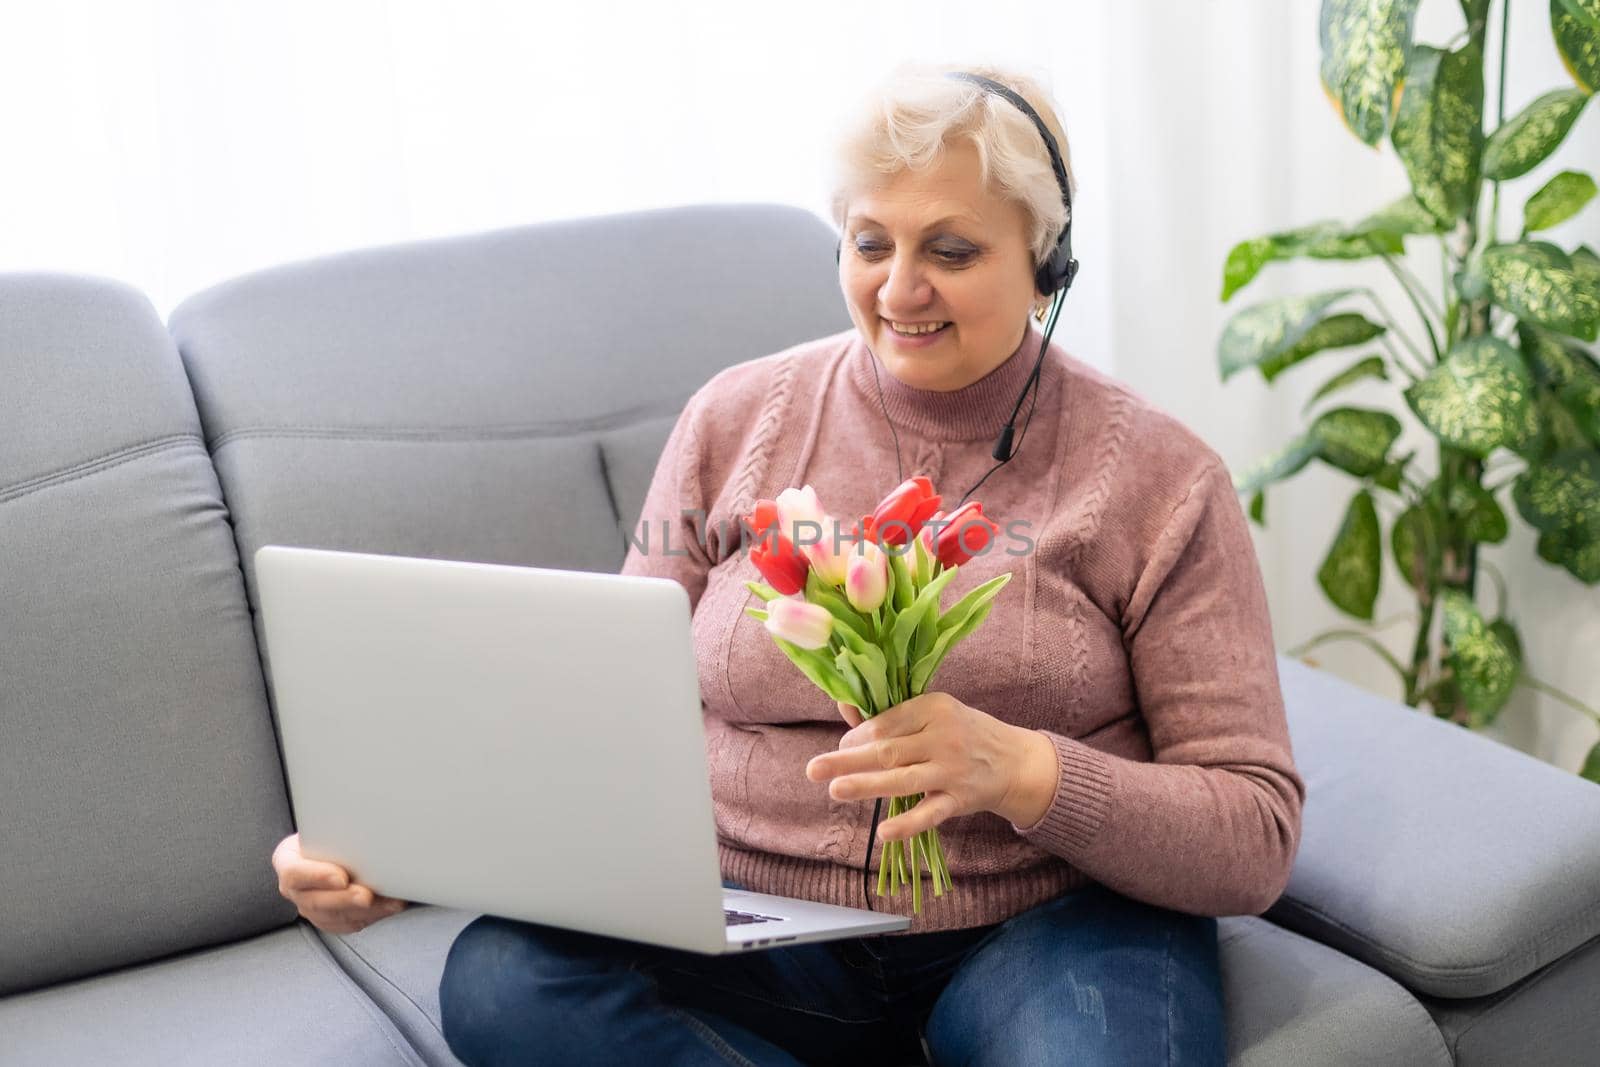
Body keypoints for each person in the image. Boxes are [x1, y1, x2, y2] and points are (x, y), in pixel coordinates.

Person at [272, 62, 1305, 1065]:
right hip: (759, 927)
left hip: (1049, 920)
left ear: (1045, 263)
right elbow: (595, 724)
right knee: (504, 979)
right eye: (869, 241)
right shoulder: (736, 418)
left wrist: (1025, 770)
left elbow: (1253, 832)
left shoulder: (1161, 479)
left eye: (949, 248)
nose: (900, 288)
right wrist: (390, 854)